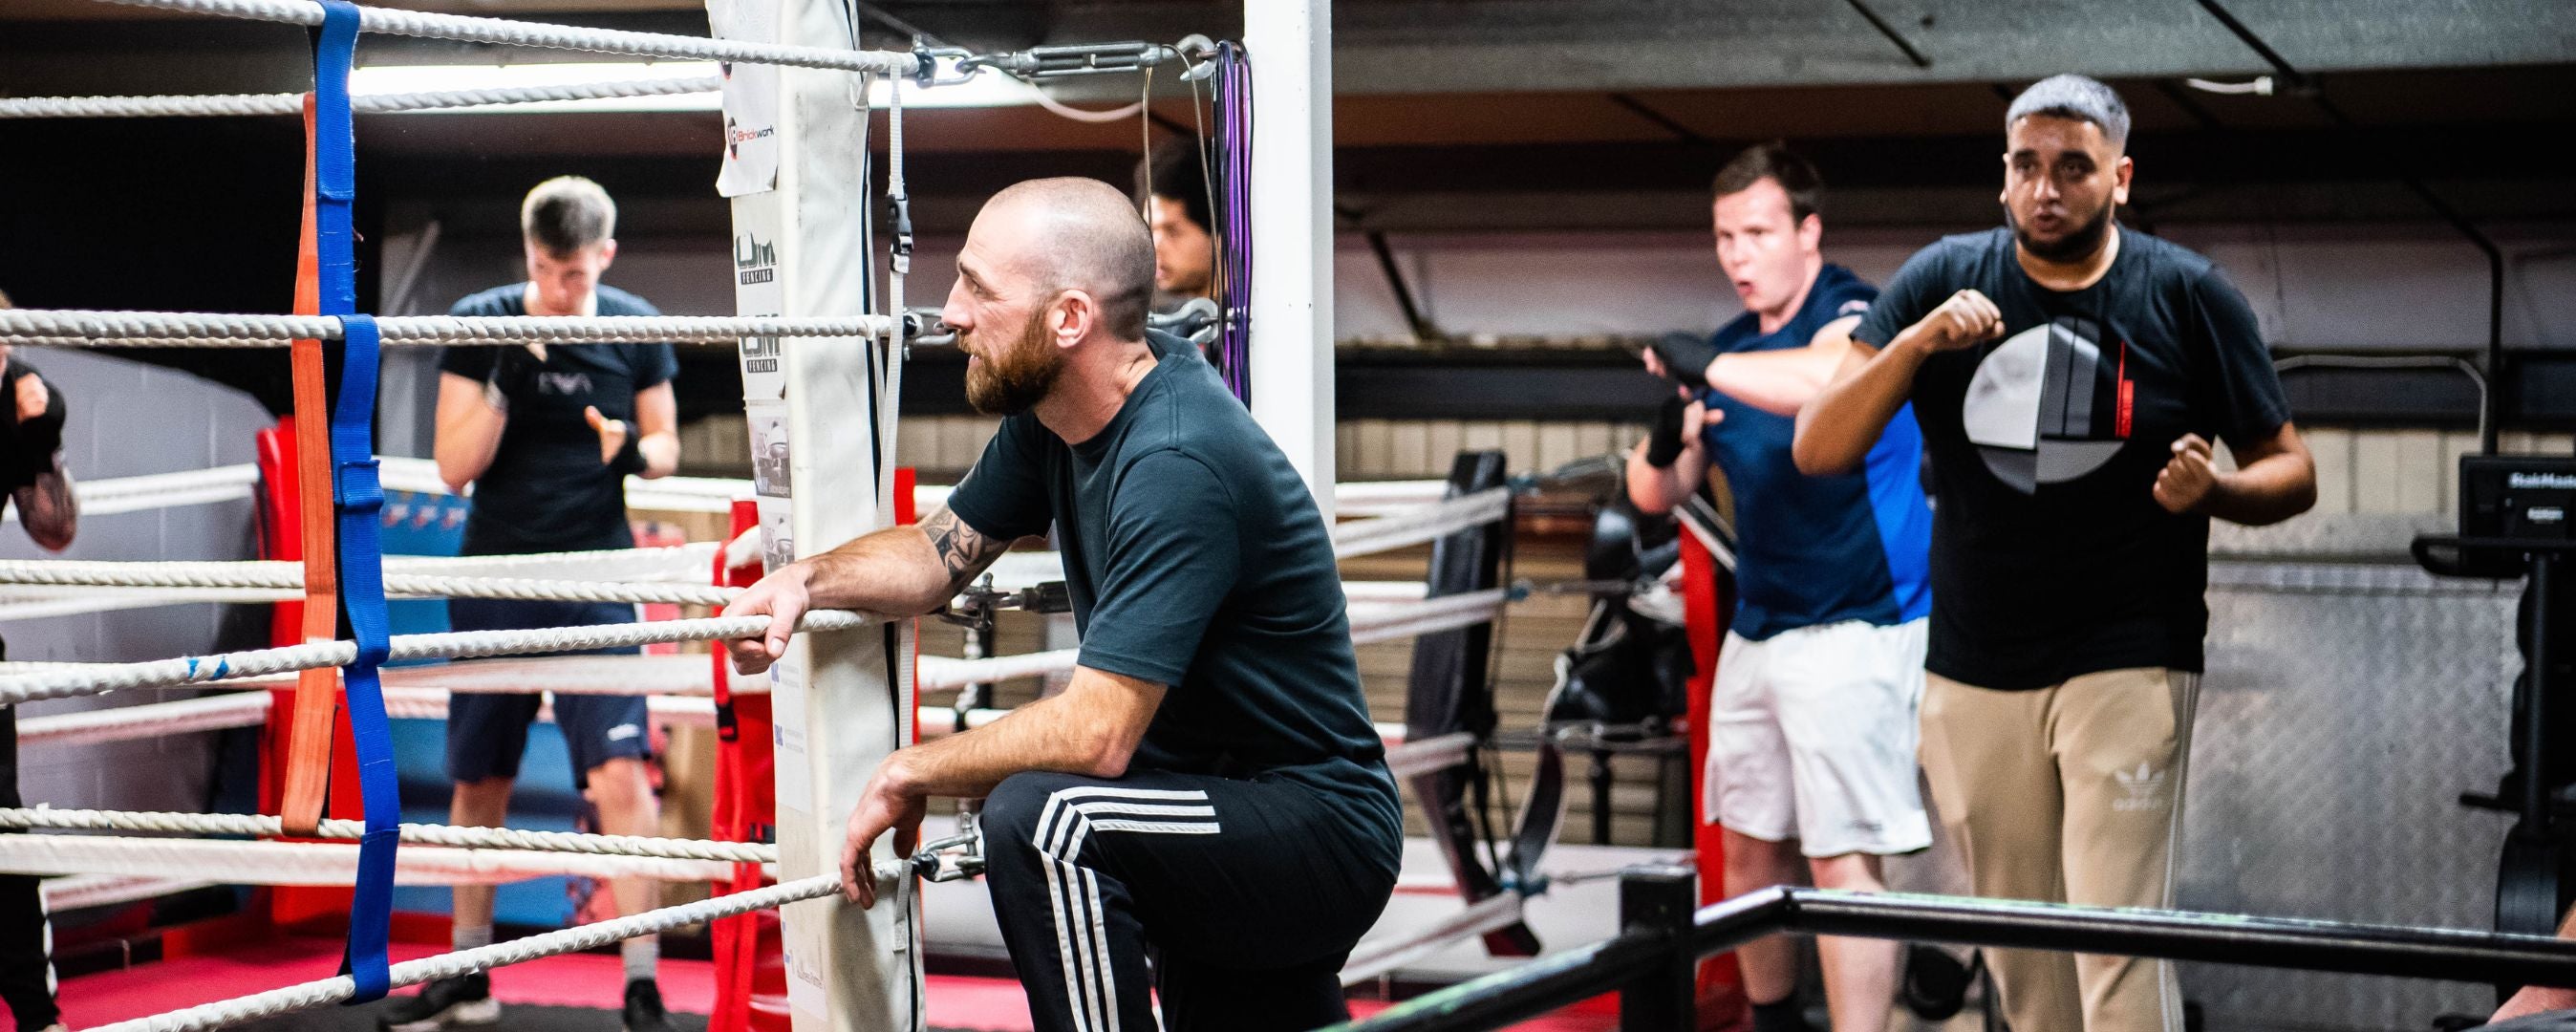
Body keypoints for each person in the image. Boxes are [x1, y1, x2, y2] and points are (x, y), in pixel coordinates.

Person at [719, 178, 1400, 1032]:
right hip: (1197, 802)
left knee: (1046, 821)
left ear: (1068, 319)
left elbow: (1095, 734)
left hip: (1309, 827)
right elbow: (937, 556)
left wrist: (908, 767)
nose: (952, 312)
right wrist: (804, 581)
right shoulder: (1060, 418)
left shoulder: (1177, 461)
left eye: (978, 287)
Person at [1793, 75, 2317, 1032]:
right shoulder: (1941, 279)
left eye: (2072, 167)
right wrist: (1910, 343)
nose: (2045, 187)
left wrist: (2222, 493)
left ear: (2118, 178)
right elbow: (1816, 447)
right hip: (1973, 662)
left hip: (2129, 651)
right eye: (2025, 166)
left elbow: (2291, 468)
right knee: (2019, 953)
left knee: (2116, 940)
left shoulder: (2186, 294)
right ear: (2001, 177)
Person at [1627, 142, 1929, 1032]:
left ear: (1808, 231)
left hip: (1860, 622)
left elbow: (1831, 381)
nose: (1737, 255)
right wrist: (1664, 432)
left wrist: (1702, 369)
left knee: (1842, 858)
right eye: (1724, 236)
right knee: (1750, 847)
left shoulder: (1856, 312)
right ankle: (1772, 1023)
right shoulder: (1724, 352)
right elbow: (1656, 495)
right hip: (1759, 631)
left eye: (1757, 232)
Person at [382, 178, 681, 1032]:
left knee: (621, 775)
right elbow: (452, 467)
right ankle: (471, 973)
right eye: (549, 272)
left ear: (605, 259)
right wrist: (508, 376)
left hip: (596, 583)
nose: (561, 290)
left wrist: (632, 452)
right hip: (494, 581)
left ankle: (641, 980)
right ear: (529, 256)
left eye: (576, 276)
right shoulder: (485, 318)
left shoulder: (631, 322)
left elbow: (667, 443)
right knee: (481, 779)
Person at [0, 287, 75, 1032]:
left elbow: (56, 532)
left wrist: (39, 439)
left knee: (3, 837)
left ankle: (35, 1015)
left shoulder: (11, 397)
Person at [1139, 141, 1216, 311]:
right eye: (1150, 232)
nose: (1155, 248)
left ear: (1220, 236)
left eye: (1172, 232)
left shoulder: (1263, 325)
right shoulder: (1164, 326)